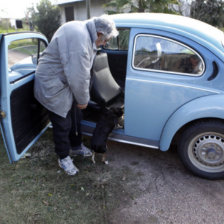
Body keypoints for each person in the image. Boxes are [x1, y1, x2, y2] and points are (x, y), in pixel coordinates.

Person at [34, 15, 118, 175]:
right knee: (62, 122)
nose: (105, 43)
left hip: (65, 82)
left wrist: (81, 100)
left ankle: (76, 146)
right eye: (106, 39)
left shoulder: (87, 33)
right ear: (99, 33)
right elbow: (78, 76)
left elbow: (81, 73)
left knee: (76, 116)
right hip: (53, 85)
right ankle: (63, 157)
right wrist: (83, 99)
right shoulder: (79, 39)